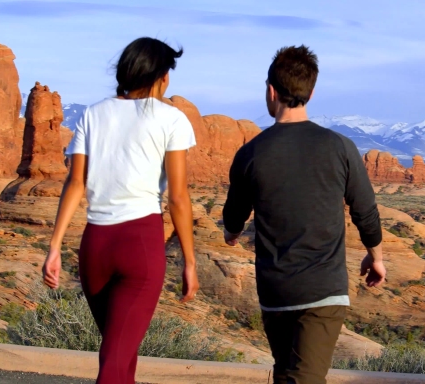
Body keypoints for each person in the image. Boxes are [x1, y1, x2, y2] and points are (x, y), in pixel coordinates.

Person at [222, 45, 385, 384]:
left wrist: (232, 233)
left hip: (275, 290)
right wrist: (376, 257)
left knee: (294, 376)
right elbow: (365, 209)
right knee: (295, 377)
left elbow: (234, 214)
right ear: (311, 92)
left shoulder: (251, 153)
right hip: (324, 288)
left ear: (271, 91)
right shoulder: (340, 147)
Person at [42, 37, 200, 384]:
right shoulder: (171, 118)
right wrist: (188, 261)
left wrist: (54, 247)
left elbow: (75, 184)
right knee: (115, 364)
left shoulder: (93, 114)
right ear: (160, 76)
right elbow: (178, 197)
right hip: (140, 247)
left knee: (119, 357)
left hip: (95, 246)